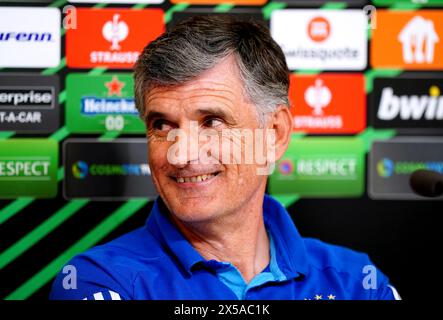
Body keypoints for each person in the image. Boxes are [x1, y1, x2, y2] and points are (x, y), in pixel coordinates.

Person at [50, 16, 400, 300]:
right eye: (162, 124)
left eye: (212, 122)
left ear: (274, 133)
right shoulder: (100, 282)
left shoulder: (356, 282)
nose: (182, 152)